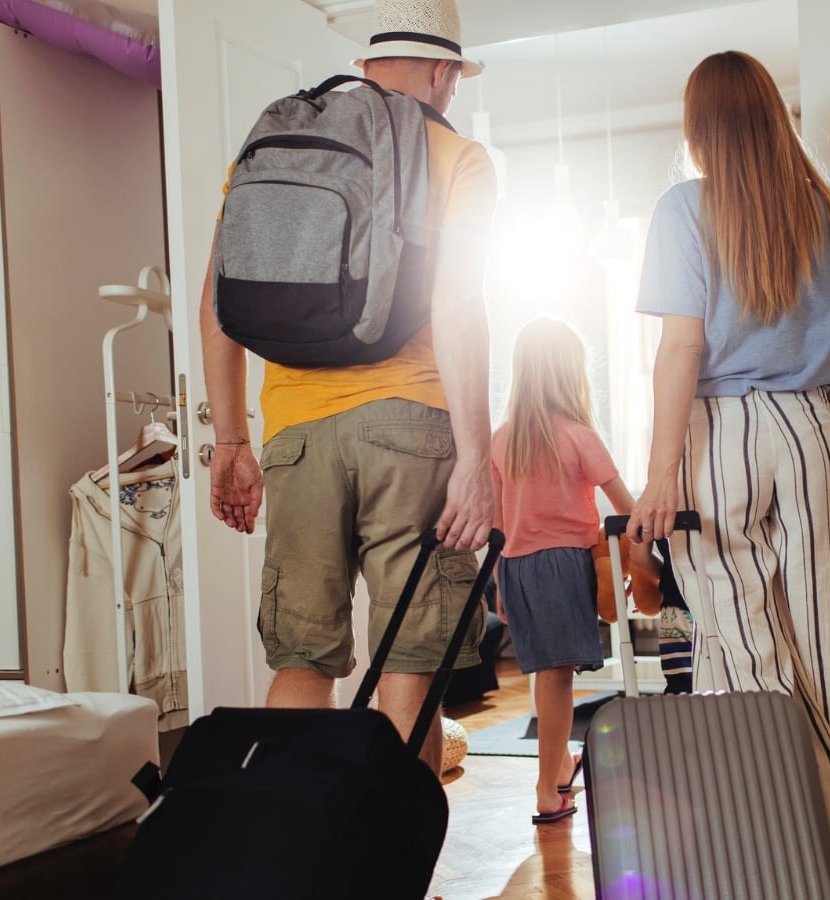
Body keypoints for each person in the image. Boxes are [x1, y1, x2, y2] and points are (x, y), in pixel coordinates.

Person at [625, 50, 830, 890]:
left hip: (720, 437)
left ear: (699, 127)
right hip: (814, 428)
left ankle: (779, 861)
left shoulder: (684, 209)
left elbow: (681, 348)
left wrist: (660, 472)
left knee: (743, 654)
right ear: (775, 116)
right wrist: (821, 454)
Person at [199, 0, 497, 776]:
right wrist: (476, 455)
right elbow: (459, 305)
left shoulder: (275, 147)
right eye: (455, 80)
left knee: (301, 653)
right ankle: (392, 875)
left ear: (367, 65)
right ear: (441, 72)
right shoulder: (458, 157)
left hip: (294, 431)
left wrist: (230, 441)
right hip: (413, 422)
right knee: (409, 656)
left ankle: (302, 868)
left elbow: (218, 307)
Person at [491, 318, 646, 824]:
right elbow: (624, 507)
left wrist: (497, 585)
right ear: (570, 374)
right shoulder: (579, 437)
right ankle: (546, 790)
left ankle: (560, 767)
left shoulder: (501, 440)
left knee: (544, 672)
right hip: (563, 565)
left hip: (516, 567)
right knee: (558, 679)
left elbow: (498, 525)